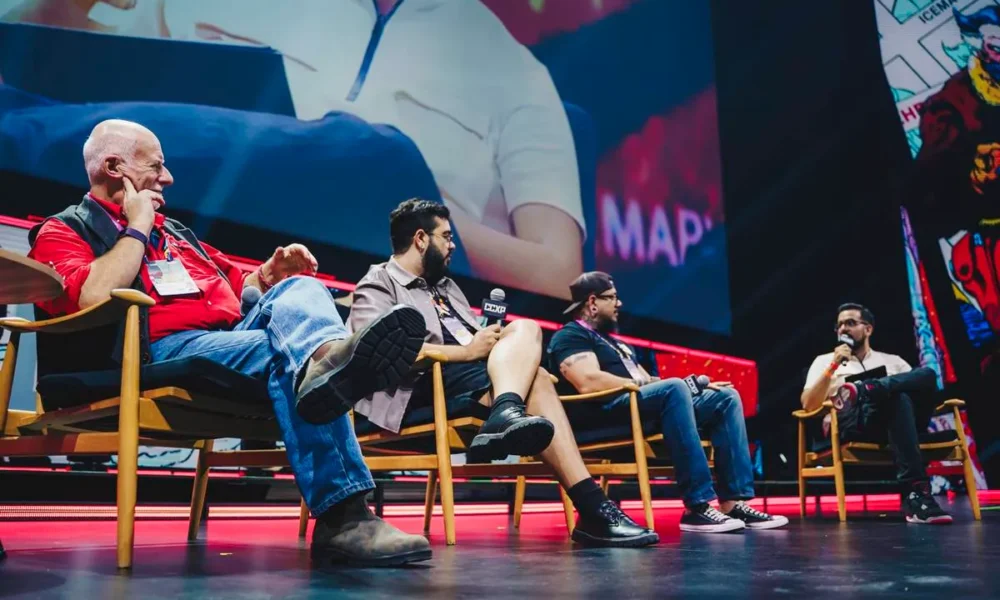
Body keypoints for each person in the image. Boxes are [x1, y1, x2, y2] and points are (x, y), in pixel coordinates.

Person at [27, 119, 434, 566]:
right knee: (286, 355)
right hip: (160, 348)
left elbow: (233, 284)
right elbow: (91, 296)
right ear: (113, 167)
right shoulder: (64, 229)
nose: (168, 178)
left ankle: (327, 359)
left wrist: (270, 275)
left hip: (229, 336)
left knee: (302, 289)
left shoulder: (178, 234)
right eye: (156, 167)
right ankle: (346, 515)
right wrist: (137, 228)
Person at [2, 0, 585, 299]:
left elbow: (560, 272)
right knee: (63, 122)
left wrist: (414, 214)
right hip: (205, 214)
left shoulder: (517, 75)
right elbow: (93, 80)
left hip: (378, 243)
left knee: (370, 149)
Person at [348, 199, 658, 548]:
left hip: (472, 378)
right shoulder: (379, 281)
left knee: (526, 328)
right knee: (538, 380)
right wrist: (466, 351)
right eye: (446, 236)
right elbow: (371, 354)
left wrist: (490, 340)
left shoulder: (447, 288)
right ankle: (593, 509)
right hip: (419, 388)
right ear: (421, 238)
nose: (453, 245)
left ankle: (506, 410)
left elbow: (476, 343)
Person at [550, 272, 788, 532]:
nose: (619, 304)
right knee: (673, 388)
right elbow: (588, 381)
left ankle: (733, 502)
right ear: (593, 302)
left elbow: (649, 380)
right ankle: (697, 506)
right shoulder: (570, 336)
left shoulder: (616, 344)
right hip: (604, 415)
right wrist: (664, 386)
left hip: (637, 408)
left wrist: (692, 384)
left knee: (724, 398)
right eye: (613, 298)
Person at [802, 303, 953, 524]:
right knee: (897, 398)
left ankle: (867, 388)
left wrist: (873, 388)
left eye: (851, 323)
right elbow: (807, 404)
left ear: (868, 329)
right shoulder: (824, 361)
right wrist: (834, 365)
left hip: (900, 424)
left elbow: (923, 386)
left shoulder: (893, 361)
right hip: (857, 423)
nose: (843, 328)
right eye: (840, 325)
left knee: (927, 374)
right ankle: (916, 495)